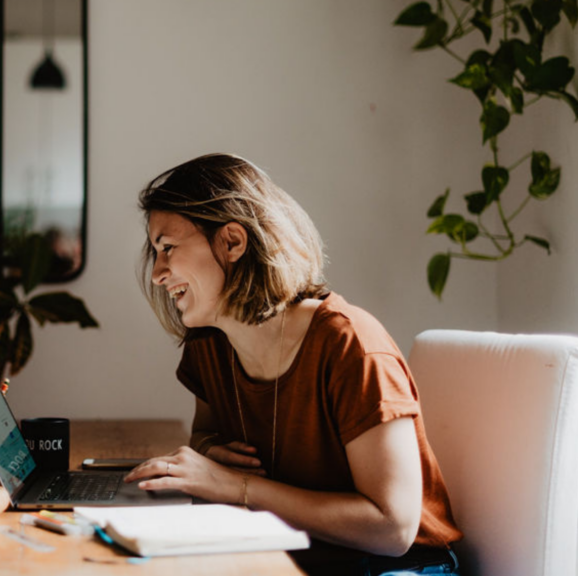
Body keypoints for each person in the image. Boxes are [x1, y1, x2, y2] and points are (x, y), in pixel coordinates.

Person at [125, 153, 462, 575]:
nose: (158, 273)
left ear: (232, 242)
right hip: (293, 558)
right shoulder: (209, 346)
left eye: (167, 248)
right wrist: (209, 453)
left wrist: (236, 486)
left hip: (398, 567)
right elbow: (205, 436)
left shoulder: (351, 345)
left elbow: (393, 529)